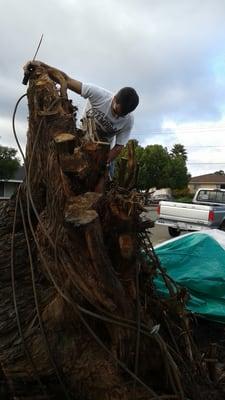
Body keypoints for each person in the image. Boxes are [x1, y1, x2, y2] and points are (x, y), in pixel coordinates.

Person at [23, 61, 139, 166]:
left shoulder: (128, 120)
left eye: (121, 115)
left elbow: (119, 146)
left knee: (102, 180)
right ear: (114, 99)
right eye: (115, 111)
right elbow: (67, 80)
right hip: (83, 141)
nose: (117, 116)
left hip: (103, 151)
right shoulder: (99, 95)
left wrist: (104, 162)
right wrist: (41, 66)